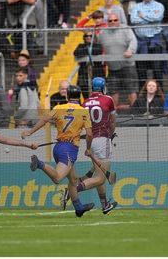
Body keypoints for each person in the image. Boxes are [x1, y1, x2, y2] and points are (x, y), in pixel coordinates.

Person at [23, 85, 95, 217]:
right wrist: (88, 148)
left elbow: (45, 119)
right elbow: (90, 134)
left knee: (73, 180)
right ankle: (40, 164)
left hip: (59, 147)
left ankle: (78, 208)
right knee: (57, 178)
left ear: (67, 96)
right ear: (79, 97)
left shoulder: (58, 108)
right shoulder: (84, 111)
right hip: (69, 149)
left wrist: (30, 131)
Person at [61, 78, 118, 214]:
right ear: (103, 87)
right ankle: (72, 190)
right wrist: (110, 134)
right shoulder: (108, 99)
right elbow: (112, 122)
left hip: (90, 141)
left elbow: (83, 126)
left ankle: (105, 205)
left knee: (97, 173)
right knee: (100, 178)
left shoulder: (84, 103)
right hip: (103, 140)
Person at [97, 14, 138, 108]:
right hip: (112, 68)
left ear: (119, 20)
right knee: (113, 91)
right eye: (110, 21)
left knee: (131, 89)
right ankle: (113, 116)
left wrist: (130, 50)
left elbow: (133, 41)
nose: (113, 22)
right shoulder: (103, 33)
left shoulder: (126, 29)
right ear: (107, 22)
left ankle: (136, 113)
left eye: (115, 20)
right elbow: (97, 44)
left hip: (128, 65)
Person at [129, 0, 165, 90]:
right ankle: (142, 94)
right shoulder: (136, 6)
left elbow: (158, 18)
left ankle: (160, 94)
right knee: (141, 70)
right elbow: (134, 20)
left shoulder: (159, 6)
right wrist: (151, 18)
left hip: (155, 41)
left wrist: (143, 16)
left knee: (157, 69)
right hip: (141, 42)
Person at [73, 31, 104, 98]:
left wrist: (86, 51)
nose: (88, 37)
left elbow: (97, 51)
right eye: (86, 36)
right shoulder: (80, 45)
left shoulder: (98, 46)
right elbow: (76, 53)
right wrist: (89, 50)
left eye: (90, 36)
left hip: (96, 73)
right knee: (85, 95)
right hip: (84, 74)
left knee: (98, 94)